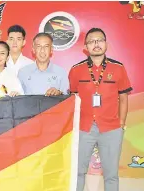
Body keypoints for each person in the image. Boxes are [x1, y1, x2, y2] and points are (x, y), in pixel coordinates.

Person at [68, 28, 132, 191]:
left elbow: (123, 98)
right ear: (85, 47)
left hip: (111, 128)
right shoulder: (76, 70)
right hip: (83, 128)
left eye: (99, 40)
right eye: (91, 41)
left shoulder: (118, 68)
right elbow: (73, 99)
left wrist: (121, 124)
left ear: (106, 44)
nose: (96, 44)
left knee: (111, 175)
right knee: (77, 172)